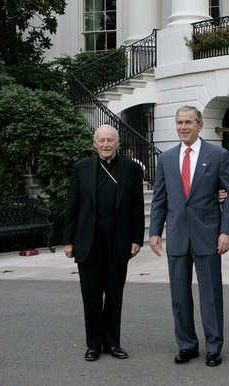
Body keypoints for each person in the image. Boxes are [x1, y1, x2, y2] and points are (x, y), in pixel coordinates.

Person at [149, 105, 229, 367]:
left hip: (208, 235)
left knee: (210, 294)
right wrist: (155, 231)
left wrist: (226, 231)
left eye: (188, 122)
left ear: (200, 126)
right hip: (177, 236)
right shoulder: (165, 159)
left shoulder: (218, 155)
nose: (183, 127)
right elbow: (159, 198)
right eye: (179, 122)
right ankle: (187, 345)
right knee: (179, 295)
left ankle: (213, 346)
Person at [63, 124, 145, 361]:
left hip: (118, 242)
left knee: (114, 294)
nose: (106, 145)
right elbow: (72, 207)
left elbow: (137, 208)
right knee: (90, 295)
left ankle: (113, 343)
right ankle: (93, 344)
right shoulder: (81, 168)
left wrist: (136, 239)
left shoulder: (131, 169)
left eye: (110, 140)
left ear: (118, 142)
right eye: (102, 140)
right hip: (88, 242)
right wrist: (68, 241)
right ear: (94, 142)